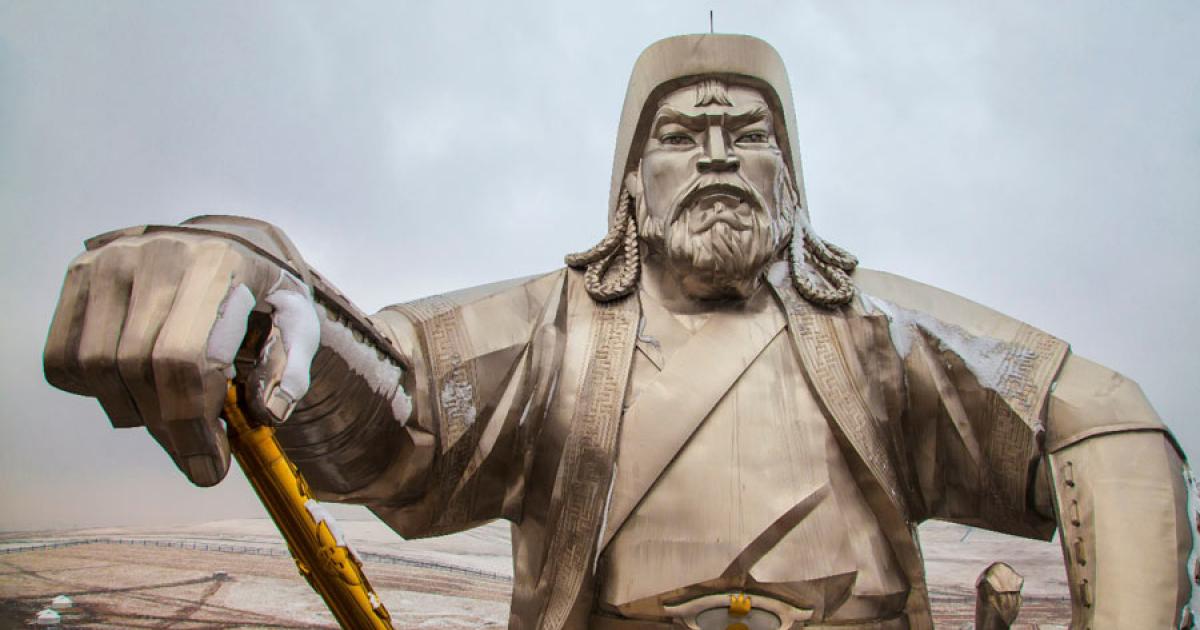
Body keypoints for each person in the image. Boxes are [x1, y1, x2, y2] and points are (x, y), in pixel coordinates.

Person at [43, 34, 1193, 630]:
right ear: (629, 186)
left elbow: (1095, 416)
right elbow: (393, 409)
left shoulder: (876, 336)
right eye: (681, 133)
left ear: (794, 183)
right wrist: (264, 287)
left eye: (748, 132)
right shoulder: (554, 333)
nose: (716, 153)